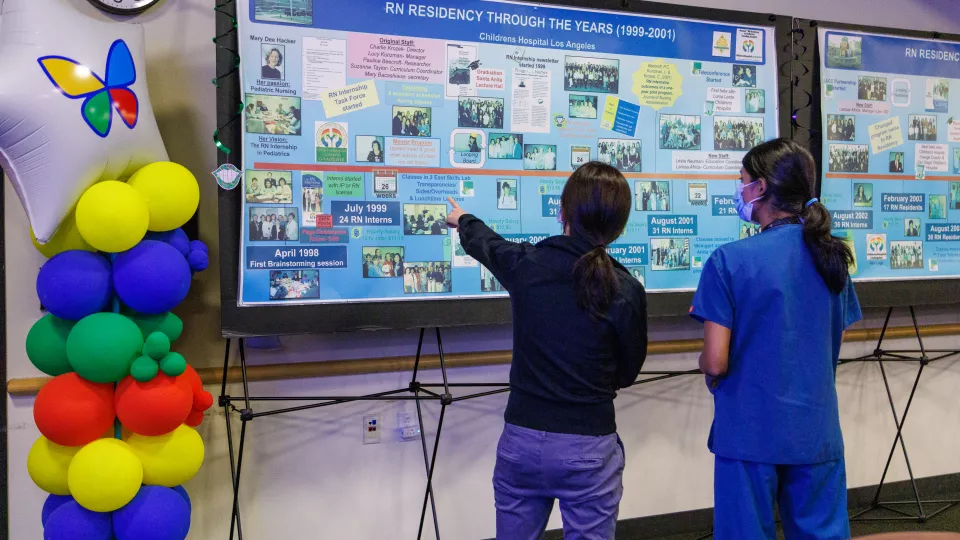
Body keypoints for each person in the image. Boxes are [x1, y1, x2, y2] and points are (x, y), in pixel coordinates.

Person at [445, 161, 648, 540]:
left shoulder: (526, 265)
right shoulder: (626, 289)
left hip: (520, 442)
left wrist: (464, 219)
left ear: (562, 212)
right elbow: (627, 372)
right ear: (619, 226)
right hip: (590, 444)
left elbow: (488, 244)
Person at [690, 138, 861, 540]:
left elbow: (715, 361)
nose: (740, 190)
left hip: (748, 433)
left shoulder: (728, 261)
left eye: (743, 181)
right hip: (815, 431)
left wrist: (705, 367)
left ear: (762, 188)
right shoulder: (832, 260)